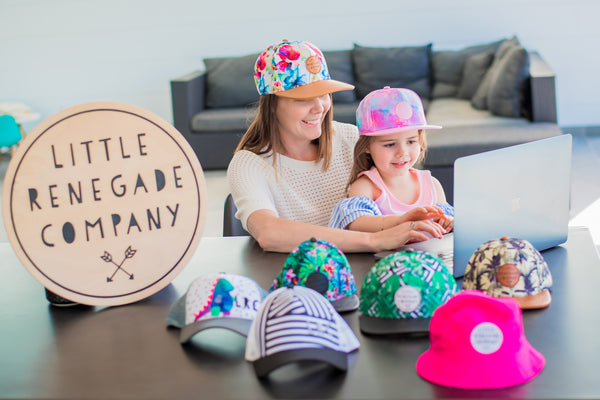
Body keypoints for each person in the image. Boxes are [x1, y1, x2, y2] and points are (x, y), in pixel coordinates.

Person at [227, 40, 446, 253]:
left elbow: (401, 182)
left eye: (323, 94)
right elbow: (268, 233)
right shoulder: (249, 164)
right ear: (272, 105)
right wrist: (375, 240)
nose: (319, 107)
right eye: (303, 99)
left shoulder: (350, 137)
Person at [328, 87, 454, 233]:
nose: (402, 152)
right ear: (367, 146)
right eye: (390, 144)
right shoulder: (367, 186)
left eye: (411, 141)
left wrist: (447, 222)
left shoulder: (432, 184)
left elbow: (446, 224)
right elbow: (356, 223)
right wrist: (403, 221)